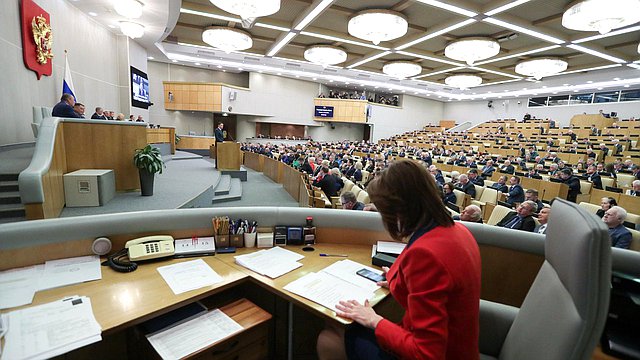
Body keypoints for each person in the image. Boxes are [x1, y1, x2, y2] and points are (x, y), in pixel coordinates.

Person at [317, 159, 480, 359]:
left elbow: (426, 354)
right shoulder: (460, 231)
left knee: (329, 338)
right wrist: (397, 279)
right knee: (337, 323)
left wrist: (374, 320)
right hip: (462, 348)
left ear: (399, 210)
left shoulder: (426, 254)